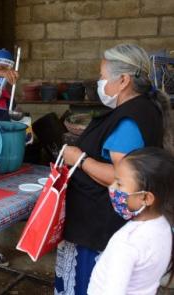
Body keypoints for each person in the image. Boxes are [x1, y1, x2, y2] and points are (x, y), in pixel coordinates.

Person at [54, 44, 173, 294]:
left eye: (102, 76)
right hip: (103, 223)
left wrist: (79, 158)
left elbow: (121, 177)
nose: (99, 82)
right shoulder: (146, 108)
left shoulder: (129, 119)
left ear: (123, 80)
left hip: (98, 226)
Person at [87, 147, 173, 295]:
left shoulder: (126, 242)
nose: (112, 187)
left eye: (119, 184)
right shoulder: (165, 225)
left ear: (146, 198)